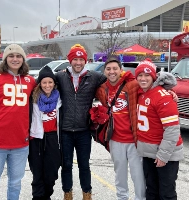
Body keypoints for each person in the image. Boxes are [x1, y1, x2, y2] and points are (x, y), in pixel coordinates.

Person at [55, 44, 107, 200]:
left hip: (84, 131)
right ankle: (67, 193)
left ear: (86, 60)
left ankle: (87, 194)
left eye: (81, 59)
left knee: (84, 165)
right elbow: (41, 81)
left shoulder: (95, 77)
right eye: (75, 59)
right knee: (67, 165)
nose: (78, 63)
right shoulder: (60, 76)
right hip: (65, 130)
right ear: (69, 60)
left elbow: (117, 81)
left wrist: (163, 86)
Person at [0, 44, 36, 199]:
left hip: (20, 142)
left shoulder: (30, 81)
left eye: (18, 56)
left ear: (23, 59)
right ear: (5, 59)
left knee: (15, 183)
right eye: (11, 56)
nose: (15, 59)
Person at [95, 57, 146, 200]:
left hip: (133, 140)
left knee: (138, 175)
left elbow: (150, 86)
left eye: (115, 68)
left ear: (120, 70)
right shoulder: (103, 89)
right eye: (108, 69)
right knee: (120, 174)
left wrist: (169, 92)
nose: (112, 72)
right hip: (115, 139)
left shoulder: (132, 85)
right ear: (104, 71)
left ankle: (140, 198)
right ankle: (122, 197)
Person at [135, 59, 184, 200]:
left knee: (166, 194)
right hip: (149, 152)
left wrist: (163, 155)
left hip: (164, 154)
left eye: (147, 75)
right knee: (151, 191)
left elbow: (172, 129)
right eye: (140, 75)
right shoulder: (140, 92)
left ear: (154, 77)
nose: (143, 79)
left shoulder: (163, 96)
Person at [28, 66, 62, 200]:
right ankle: (37, 197)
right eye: (44, 82)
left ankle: (46, 195)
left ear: (54, 84)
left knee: (52, 172)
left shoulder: (59, 100)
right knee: (37, 173)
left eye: (50, 82)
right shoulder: (33, 99)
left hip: (53, 138)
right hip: (36, 138)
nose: (47, 85)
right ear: (40, 84)